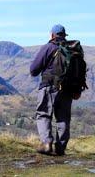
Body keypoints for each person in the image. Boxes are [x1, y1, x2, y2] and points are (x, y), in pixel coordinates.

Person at [30, 24, 72, 156]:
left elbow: (33, 70)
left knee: (43, 114)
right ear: (64, 35)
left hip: (49, 87)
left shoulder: (48, 47)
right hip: (67, 90)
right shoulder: (72, 50)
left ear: (53, 35)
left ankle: (47, 144)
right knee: (63, 118)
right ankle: (60, 148)